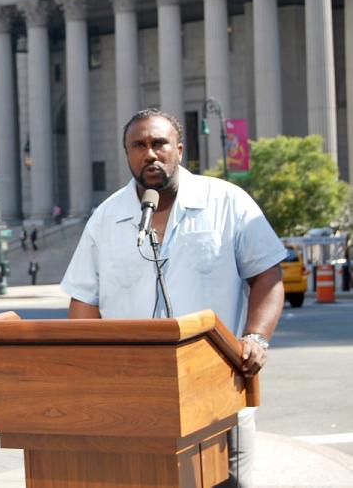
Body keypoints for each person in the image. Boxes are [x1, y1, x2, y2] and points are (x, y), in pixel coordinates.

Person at [60, 109, 285, 488]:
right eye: (139, 145)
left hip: (217, 396)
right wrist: (87, 376)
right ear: (127, 154)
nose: (150, 153)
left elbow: (268, 275)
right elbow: (84, 302)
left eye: (159, 143)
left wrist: (256, 337)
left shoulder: (228, 202)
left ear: (179, 149)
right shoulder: (105, 218)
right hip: (135, 403)